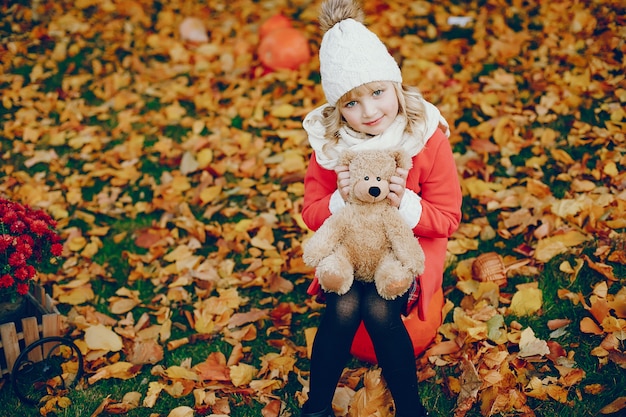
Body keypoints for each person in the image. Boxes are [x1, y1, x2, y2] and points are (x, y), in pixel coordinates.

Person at [300, 0, 463, 416]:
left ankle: (410, 408)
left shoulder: (426, 138)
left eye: (377, 92)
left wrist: (405, 203)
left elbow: (448, 219)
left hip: (402, 257)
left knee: (376, 306)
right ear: (337, 108)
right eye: (351, 103)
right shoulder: (332, 149)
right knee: (344, 304)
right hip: (352, 252)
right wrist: (339, 198)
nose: (369, 112)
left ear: (395, 85)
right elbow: (312, 212)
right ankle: (316, 407)